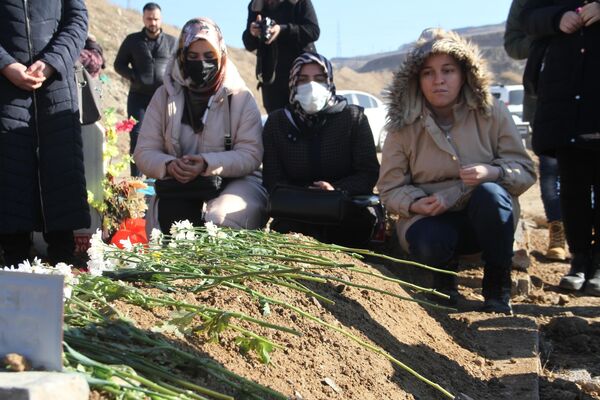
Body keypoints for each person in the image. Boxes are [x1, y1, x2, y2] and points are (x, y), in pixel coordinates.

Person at [377, 29, 536, 314]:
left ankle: (498, 286)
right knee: (431, 240)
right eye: (428, 73)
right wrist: (414, 202)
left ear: (464, 73)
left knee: (491, 196)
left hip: (485, 219)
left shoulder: (493, 113)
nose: (438, 80)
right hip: (431, 221)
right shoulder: (402, 127)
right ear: (416, 79)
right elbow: (389, 188)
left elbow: (524, 169)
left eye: (447, 70)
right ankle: (442, 281)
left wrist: (492, 172)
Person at [134, 17, 268, 233]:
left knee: (221, 220)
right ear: (182, 56)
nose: (201, 63)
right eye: (193, 56)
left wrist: (207, 163)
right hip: (181, 181)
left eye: (209, 56)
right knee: (173, 224)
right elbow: (144, 151)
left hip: (236, 180)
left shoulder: (240, 97)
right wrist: (169, 165)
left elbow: (251, 154)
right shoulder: (164, 95)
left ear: (221, 56)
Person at [0, 0, 90, 267]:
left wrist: (51, 62)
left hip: (54, 87)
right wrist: (6, 65)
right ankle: (15, 262)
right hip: (6, 88)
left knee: (60, 168)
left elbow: (77, 20)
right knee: (10, 172)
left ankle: (62, 260)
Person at [520, 0, 600, 296]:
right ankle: (579, 261)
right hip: (564, 101)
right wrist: (557, 18)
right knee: (573, 188)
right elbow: (527, 18)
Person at [262, 52, 380, 248]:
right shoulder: (277, 123)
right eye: (303, 79)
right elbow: (272, 179)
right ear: (292, 83)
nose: (312, 86)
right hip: (296, 215)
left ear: (330, 82)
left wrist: (335, 190)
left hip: (344, 212)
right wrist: (306, 196)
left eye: (319, 79)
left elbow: (368, 173)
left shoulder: (353, 118)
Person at [504, 0, 566, 261]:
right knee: (550, 170)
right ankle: (557, 231)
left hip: (588, 96)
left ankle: (590, 241)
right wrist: (549, 37)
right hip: (544, 95)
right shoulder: (525, 3)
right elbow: (512, 44)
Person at [114, 2, 177, 177]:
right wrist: (134, 76)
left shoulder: (173, 42)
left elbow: (179, 68)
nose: (153, 23)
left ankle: (158, 179)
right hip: (138, 98)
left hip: (164, 98)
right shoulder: (132, 40)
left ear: (161, 19)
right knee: (137, 137)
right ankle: (136, 181)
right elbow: (118, 64)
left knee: (164, 139)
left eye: (156, 19)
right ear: (143, 18)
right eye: (149, 19)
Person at [242, 0, 320, 113]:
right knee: (277, 126)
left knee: (307, 122)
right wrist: (252, 33)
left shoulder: (299, 2)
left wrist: (282, 30)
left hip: (301, 78)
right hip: (272, 83)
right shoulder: (256, 6)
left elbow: (313, 31)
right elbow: (249, 44)